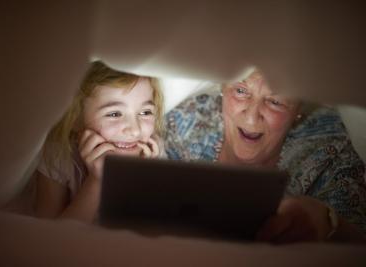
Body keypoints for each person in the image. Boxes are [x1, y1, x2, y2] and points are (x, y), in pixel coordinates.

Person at [164, 69, 366, 243]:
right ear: (223, 89)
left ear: (299, 109)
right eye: (241, 91)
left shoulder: (330, 149)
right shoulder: (184, 121)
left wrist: (327, 222)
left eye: (275, 101)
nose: (252, 116)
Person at [33, 60, 164, 223]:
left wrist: (141, 177)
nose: (135, 130)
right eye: (114, 114)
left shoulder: (152, 152)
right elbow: (45, 236)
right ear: (76, 119)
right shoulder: (58, 155)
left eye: (145, 112)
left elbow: (151, 231)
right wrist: (98, 180)